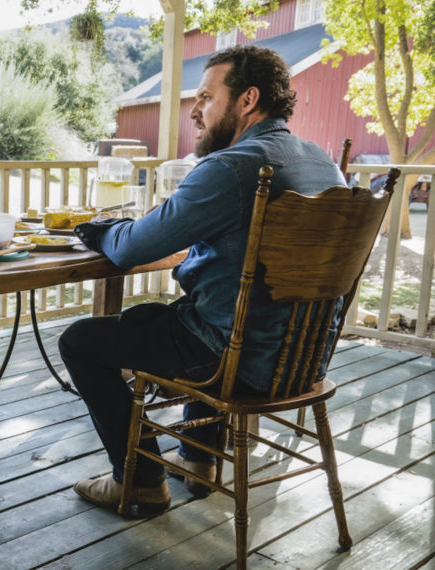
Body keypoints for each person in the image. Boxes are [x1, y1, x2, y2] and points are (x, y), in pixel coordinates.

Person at [58, 45, 347, 513]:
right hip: (303, 361)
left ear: (247, 99)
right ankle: (196, 458)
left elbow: (132, 248)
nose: (194, 111)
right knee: (198, 310)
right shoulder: (323, 164)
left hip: (241, 361)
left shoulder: (233, 168)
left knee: (82, 340)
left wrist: (96, 228)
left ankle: (142, 481)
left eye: (206, 97)